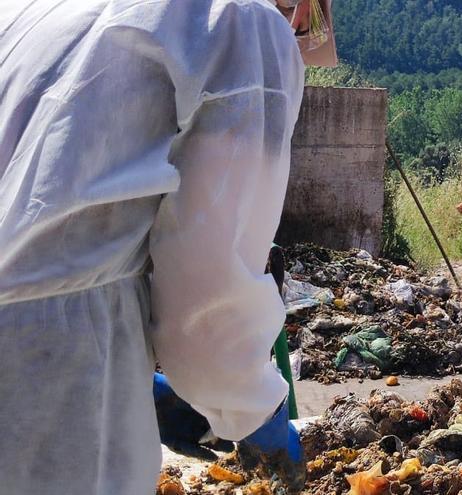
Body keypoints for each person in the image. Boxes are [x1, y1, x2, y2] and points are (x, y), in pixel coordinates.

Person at [0, 1, 332, 493]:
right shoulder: (240, 21)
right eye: (311, 20)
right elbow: (210, 291)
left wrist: (147, 385)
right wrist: (251, 410)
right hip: (56, 372)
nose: (299, 31)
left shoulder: (35, 10)